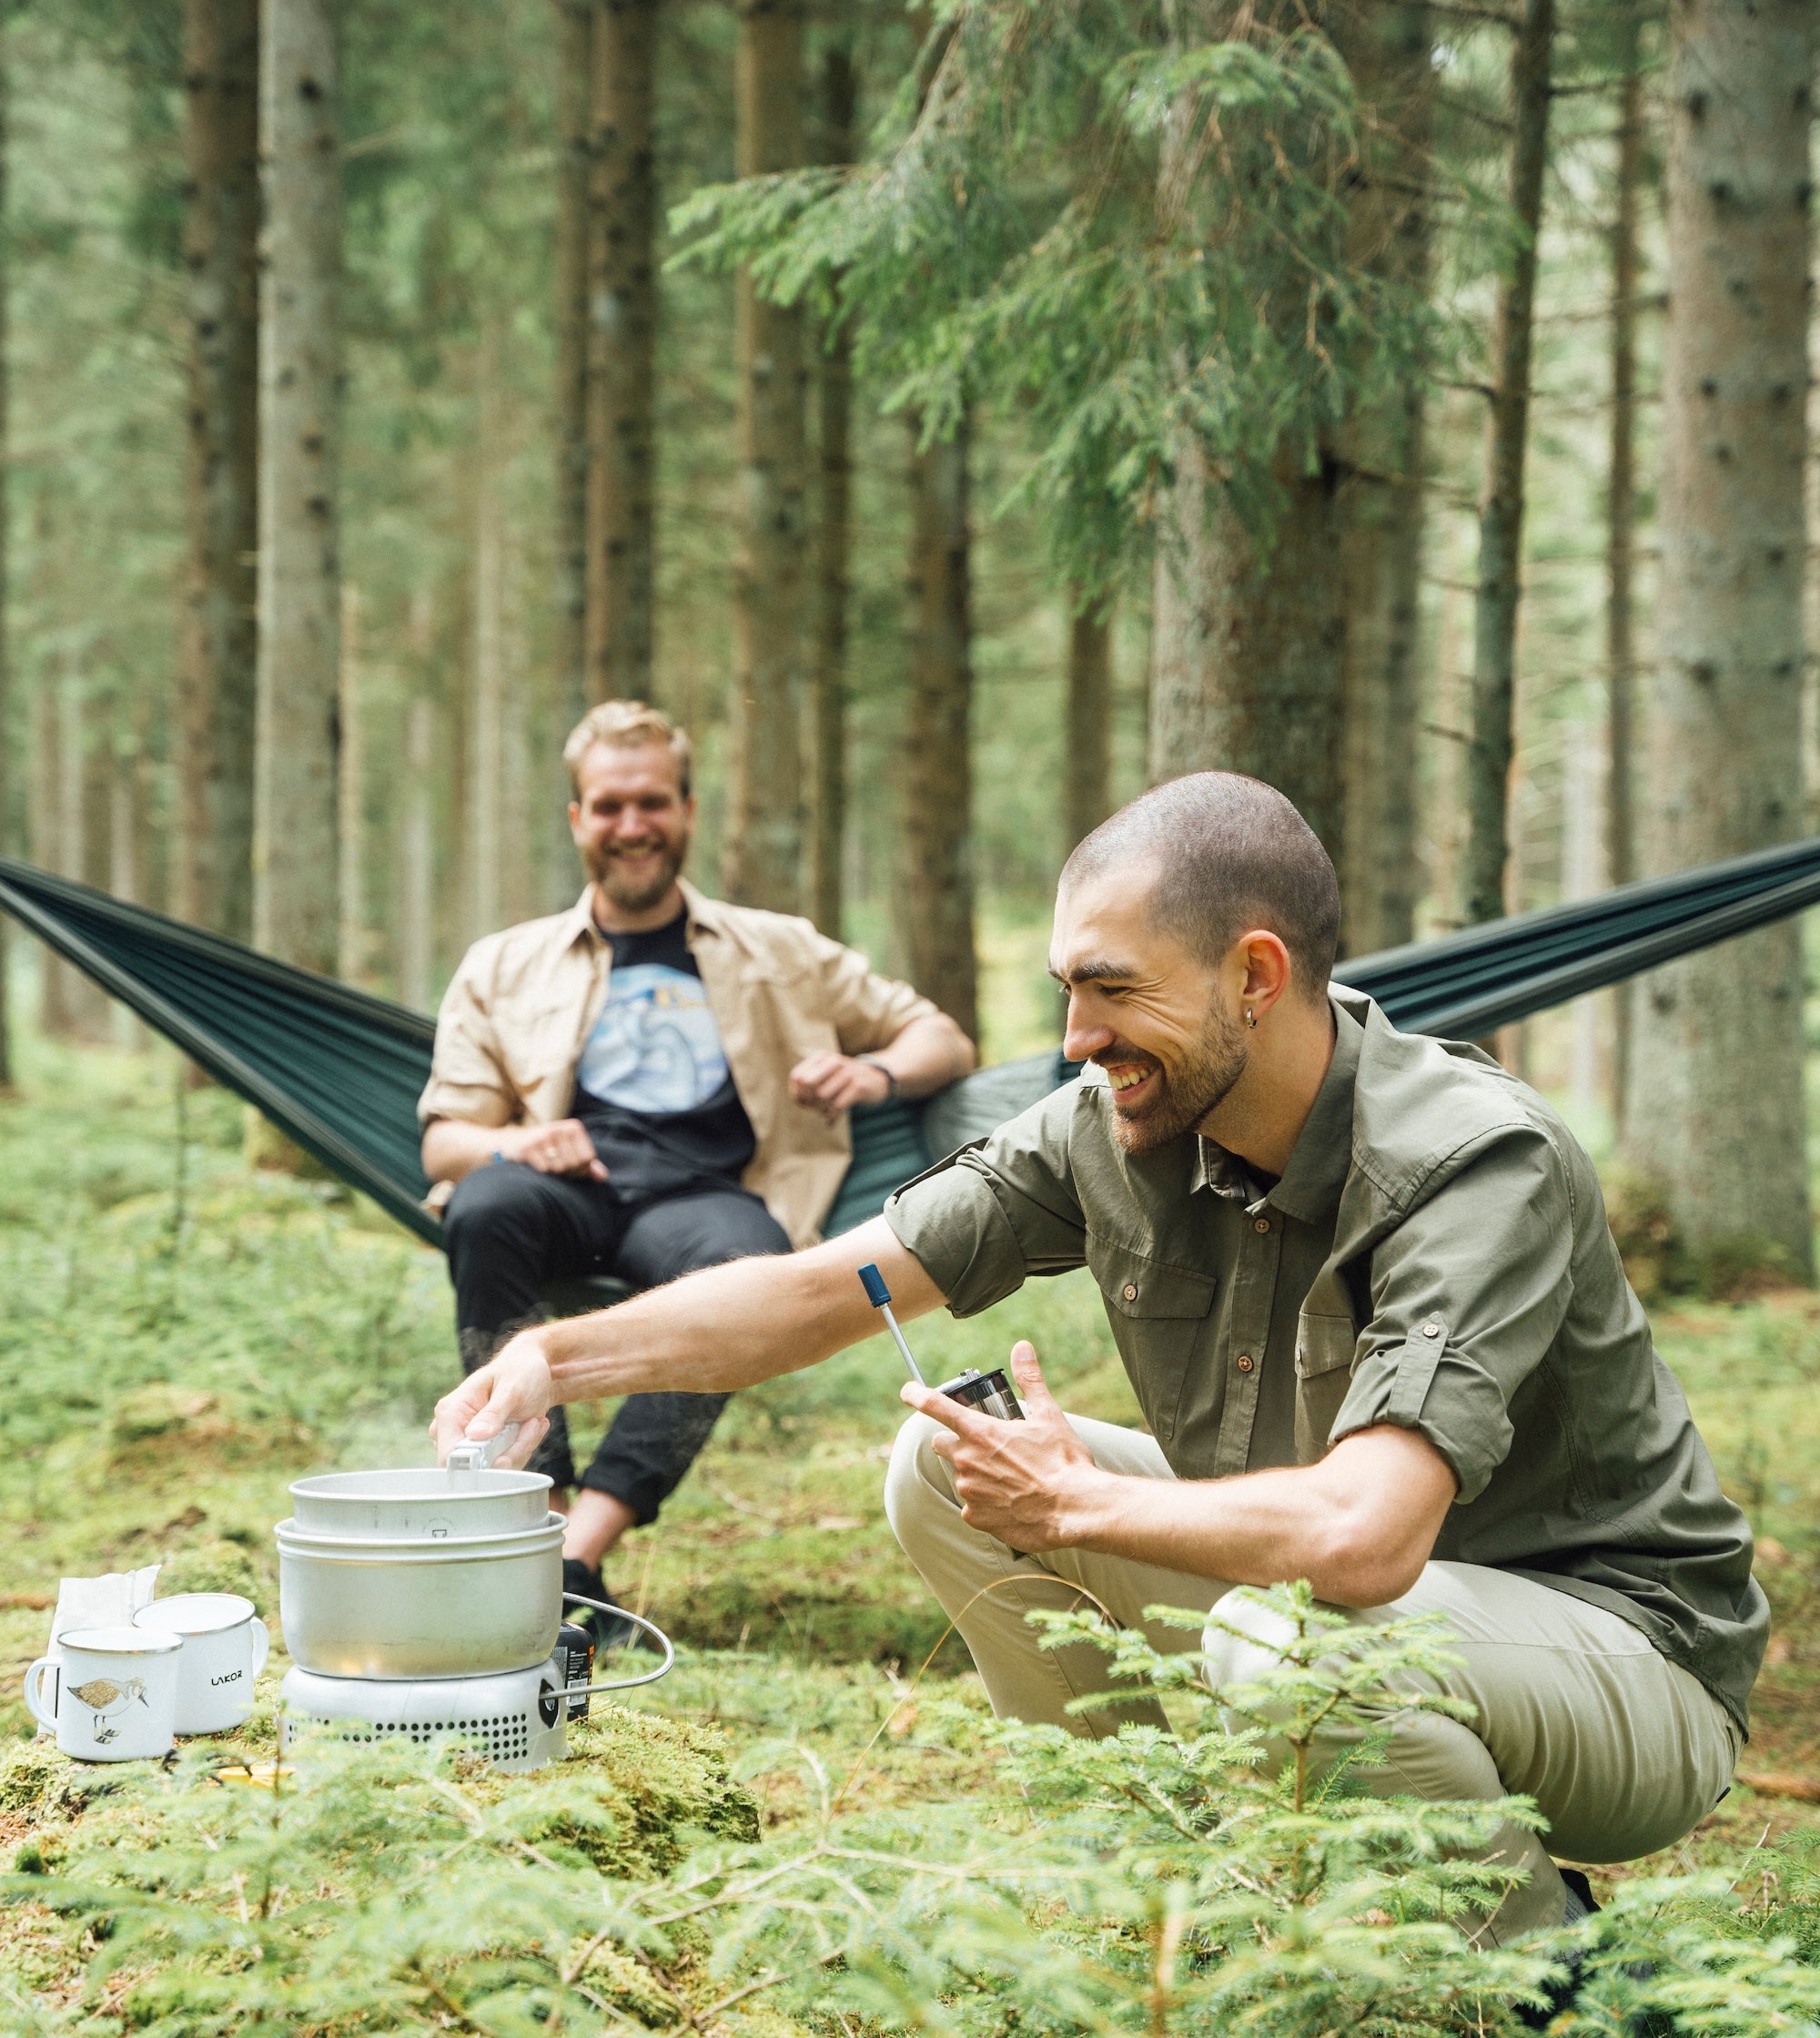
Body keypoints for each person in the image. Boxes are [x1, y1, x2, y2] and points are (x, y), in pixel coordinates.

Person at [430, 771, 1762, 1942]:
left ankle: (1543, 1991)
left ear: (1255, 975)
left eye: (1115, 992)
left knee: (1284, 1644)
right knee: (943, 1466)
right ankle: (1176, 1906)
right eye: (1069, 991)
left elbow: (1366, 1538)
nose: (1075, 1041)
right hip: (1344, 1616)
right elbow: (822, 1289)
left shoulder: (1470, 1161)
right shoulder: (1113, 1123)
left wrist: (1078, 1499)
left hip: (1621, 1665)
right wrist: (557, 1357)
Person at [419, 698, 976, 1611]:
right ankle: (534, 1522)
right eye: (607, 806)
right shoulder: (503, 965)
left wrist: (870, 1073)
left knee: (741, 1268)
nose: (630, 826)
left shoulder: (779, 949)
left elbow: (939, 1040)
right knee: (484, 1205)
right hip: (568, 1187)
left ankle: (579, 1559)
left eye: (651, 803)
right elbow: (446, 1142)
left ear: (684, 810)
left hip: (707, 1195)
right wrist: (520, 1140)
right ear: (576, 820)